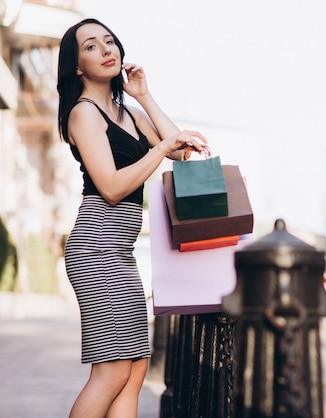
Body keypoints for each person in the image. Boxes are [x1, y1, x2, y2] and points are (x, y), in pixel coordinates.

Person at [57, 18, 207, 418]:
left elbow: (183, 150)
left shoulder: (128, 113)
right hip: (95, 247)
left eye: (110, 42)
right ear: (75, 65)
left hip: (119, 252)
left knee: (135, 368)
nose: (106, 50)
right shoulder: (83, 114)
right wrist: (158, 152)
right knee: (111, 370)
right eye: (91, 46)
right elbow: (110, 186)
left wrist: (144, 94)